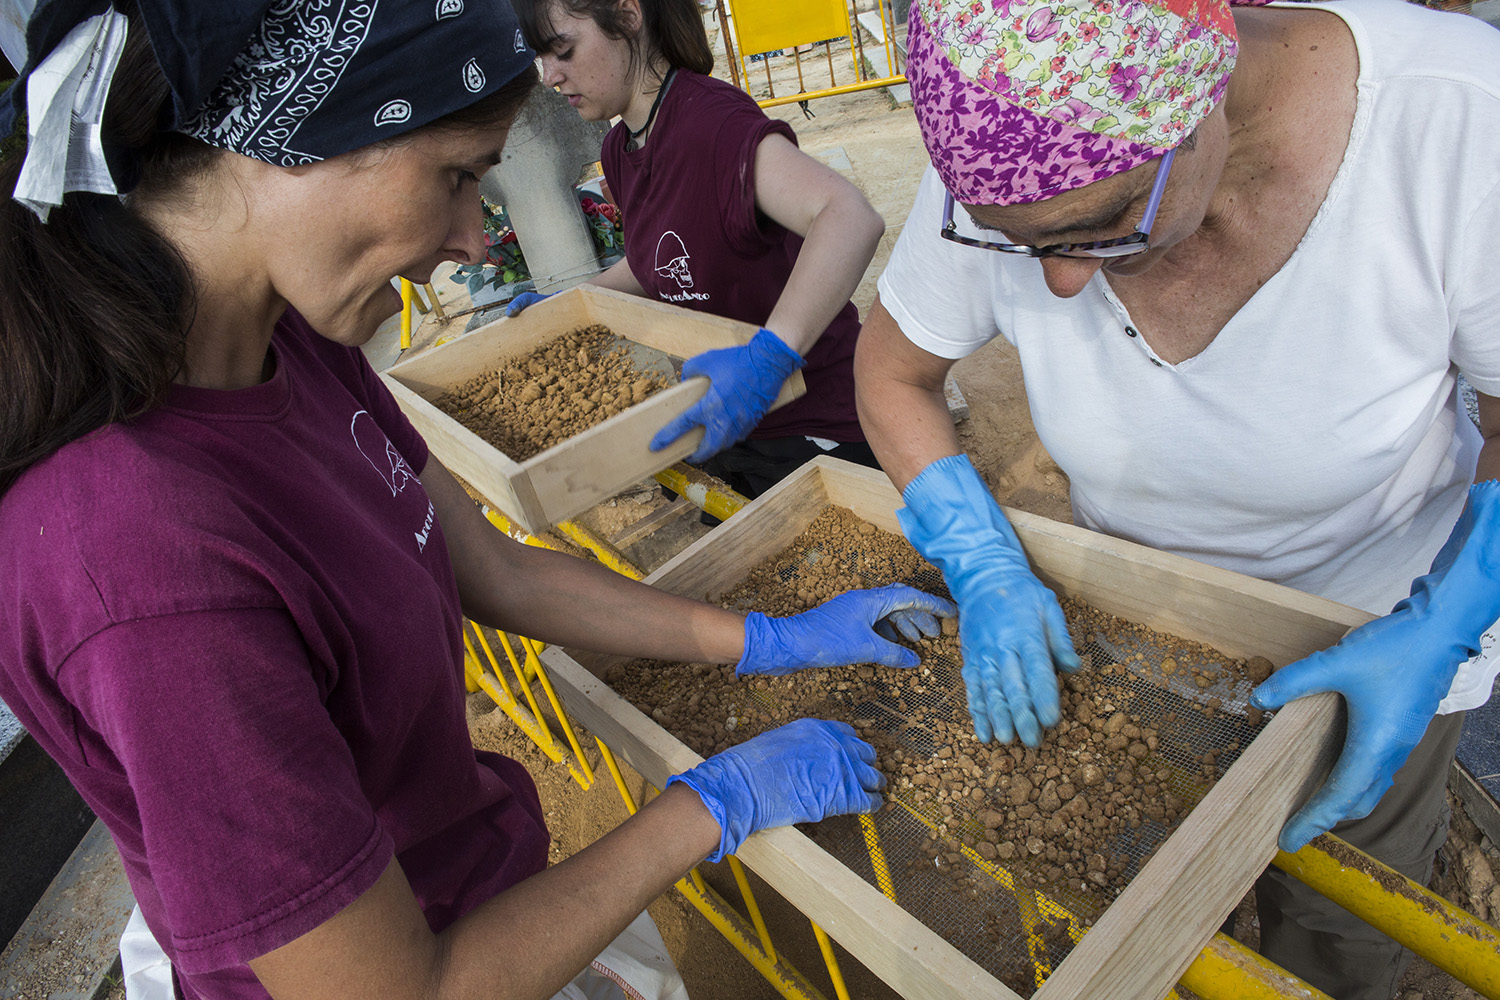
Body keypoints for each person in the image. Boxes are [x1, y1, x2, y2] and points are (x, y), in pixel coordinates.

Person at [0, 3, 957, 999]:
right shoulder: (140, 559)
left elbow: (491, 568)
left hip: (479, 895)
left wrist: (767, 639)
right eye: (458, 175)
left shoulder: (292, 350)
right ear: (291, 139)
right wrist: (711, 805)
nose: (472, 237)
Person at [852, 0, 1500, 997]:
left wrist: (1444, 621)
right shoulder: (1002, 133)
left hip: (1379, 632)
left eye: (1100, 227)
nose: (1062, 285)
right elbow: (893, 376)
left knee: (1334, 929)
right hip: (1143, 643)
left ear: (1199, 103)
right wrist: (978, 558)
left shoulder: (1457, 120)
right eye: (1018, 247)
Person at [509, 0, 887, 500]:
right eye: (544, 58)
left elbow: (849, 217)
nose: (551, 76)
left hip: (814, 420)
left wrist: (772, 354)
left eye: (563, 51)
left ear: (626, 15)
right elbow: (660, 264)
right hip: (725, 417)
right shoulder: (619, 151)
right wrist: (569, 306)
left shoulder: (714, 126)